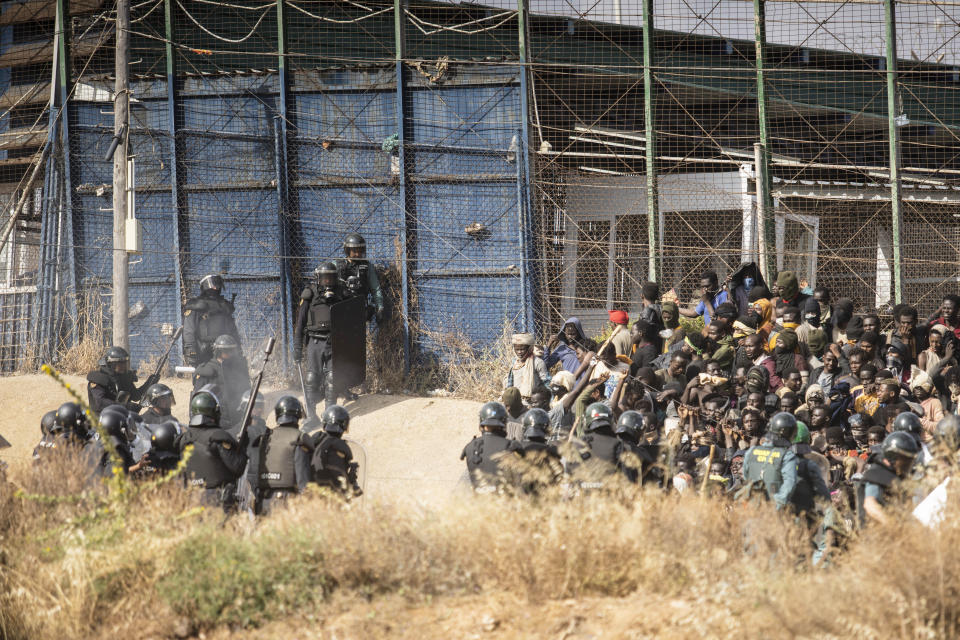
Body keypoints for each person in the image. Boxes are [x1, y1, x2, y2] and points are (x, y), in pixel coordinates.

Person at [177, 391, 248, 511]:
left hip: (190, 498)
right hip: (217, 500)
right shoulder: (218, 436)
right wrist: (242, 447)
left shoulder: (183, 438)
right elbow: (238, 467)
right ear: (215, 413)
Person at [294, 261, 343, 417]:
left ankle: (329, 412)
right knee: (312, 378)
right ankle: (311, 414)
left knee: (332, 378)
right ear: (318, 278)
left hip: (333, 342)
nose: (327, 281)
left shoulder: (341, 294)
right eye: (324, 278)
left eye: (330, 278)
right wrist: (297, 347)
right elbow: (300, 323)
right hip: (314, 341)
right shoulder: (310, 294)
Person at [256, 396, 314, 514]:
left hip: (263, 501)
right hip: (286, 502)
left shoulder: (265, 437)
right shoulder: (299, 437)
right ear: (297, 415)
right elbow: (303, 479)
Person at [740, 412, 799, 510]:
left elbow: (746, 476)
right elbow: (790, 482)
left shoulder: (751, 451)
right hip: (773, 508)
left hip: (751, 506)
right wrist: (777, 504)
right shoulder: (787, 455)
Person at [182, 274, 243, 367]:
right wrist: (191, 350)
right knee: (204, 376)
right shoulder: (196, 305)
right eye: (213, 285)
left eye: (217, 285)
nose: (215, 288)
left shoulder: (224, 306)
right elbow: (189, 331)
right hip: (203, 349)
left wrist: (237, 347)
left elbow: (232, 330)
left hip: (224, 349)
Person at [860, 431, 920, 526]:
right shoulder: (876, 474)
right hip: (876, 535)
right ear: (893, 457)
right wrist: (894, 526)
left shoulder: (896, 475)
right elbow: (870, 505)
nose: (908, 465)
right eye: (906, 460)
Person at [192, 335, 251, 427]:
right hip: (215, 417)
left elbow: (246, 390)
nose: (231, 354)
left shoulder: (237, 368)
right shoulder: (208, 370)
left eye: (232, 350)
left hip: (236, 415)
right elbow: (197, 400)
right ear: (218, 352)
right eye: (227, 351)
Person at [460, 402, 520, 493]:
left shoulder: (469, 447)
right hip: (502, 503)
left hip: (476, 502)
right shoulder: (511, 446)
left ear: (481, 423)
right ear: (504, 423)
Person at [86, 346, 157, 414]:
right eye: (120, 365)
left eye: (125, 364)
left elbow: (136, 396)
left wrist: (149, 383)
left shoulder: (124, 377)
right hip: (100, 418)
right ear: (111, 364)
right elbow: (100, 402)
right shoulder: (98, 379)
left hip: (121, 416)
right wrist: (125, 406)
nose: (123, 367)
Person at [310, 405, 362, 497]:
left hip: (311, 491)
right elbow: (338, 476)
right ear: (344, 425)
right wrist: (352, 480)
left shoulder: (315, 440)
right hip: (330, 496)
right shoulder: (339, 446)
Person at [335, 232, 384, 322]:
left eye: (360, 251)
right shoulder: (337, 265)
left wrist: (380, 308)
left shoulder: (367, 266)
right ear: (347, 250)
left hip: (359, 309)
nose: (358, 254)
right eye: (355, 251)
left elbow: (375, 289)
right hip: (339, 308)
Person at [514, 408, 563, 494]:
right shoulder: (552, 453)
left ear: (525, 427)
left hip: (519, 502)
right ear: (547, 428)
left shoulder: (515, 450)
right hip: (544, 501)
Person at [229, 390, 267, 495]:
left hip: (263, 481)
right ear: (246, 407)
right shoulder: (233, 433)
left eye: (261, 406)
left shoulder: (268, 433)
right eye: (255, 406)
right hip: (243, 485)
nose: (259, 410)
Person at [503, 333, 550, 405]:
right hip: (515, 402)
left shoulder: (538, 362)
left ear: (530, 348)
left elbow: (547, 383)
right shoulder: (514, 362)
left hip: (532, 403)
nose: (519, 352)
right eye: (517, 349)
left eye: (522, 349)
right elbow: (510, 382)